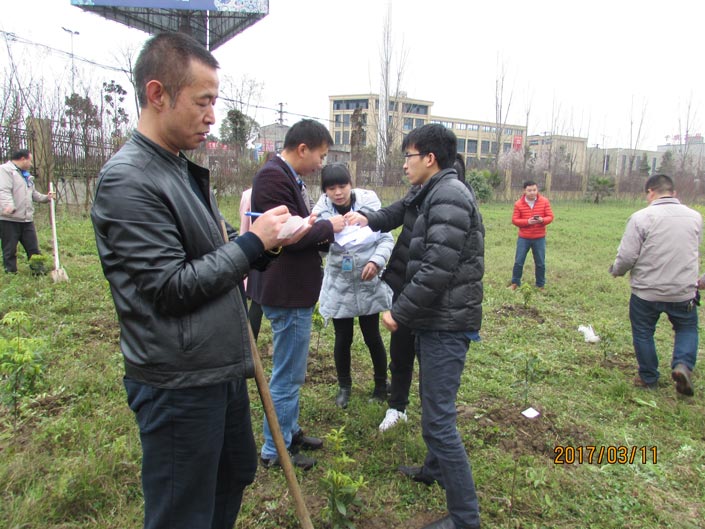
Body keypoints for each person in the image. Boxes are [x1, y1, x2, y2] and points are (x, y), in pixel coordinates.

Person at [91, 32, 311, 529]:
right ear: (157, 94)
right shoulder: (129, 180)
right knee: (183, 512)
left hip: (218, 367)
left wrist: (261, 243)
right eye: (203, 101)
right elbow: (169, 287)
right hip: (179, 381)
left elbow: (209, 254)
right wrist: (251, 243)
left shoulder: (178, 169)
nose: (212, 116)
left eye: (215, 101)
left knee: (229, 480)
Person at [365, 124, 484, 529]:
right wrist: (358, 219)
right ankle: (434, 470)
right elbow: (394, 213)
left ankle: (465, 519)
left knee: (437, 420)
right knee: (434, 405)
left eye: (408, 156)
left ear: (429, 159)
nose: (404, 164)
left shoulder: (449, 195)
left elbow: (437, 269)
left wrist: (400, 311)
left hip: (446, 322)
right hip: (436, 317)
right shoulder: (431, 190)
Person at [251, 119, 346, 470]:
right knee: (288, 375)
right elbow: (286, 235)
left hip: (293, 290)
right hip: (286, 290)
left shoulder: (287, 176)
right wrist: (327, 226)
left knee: (293, 371)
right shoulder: (273, 176)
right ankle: (276, 450)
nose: (321, 163)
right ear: (303, 149)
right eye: (320, 155)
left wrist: (316, 225)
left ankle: (289, 432)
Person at [610, 174, 701, 397]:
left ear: (650, 192)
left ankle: (648, 377)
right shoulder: (695, 217)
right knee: (687, 328)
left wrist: (617, 270)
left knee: (643, 332)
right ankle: (682, 365)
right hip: (684, 290)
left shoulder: (641, 218)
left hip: (647, 291)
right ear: (674, 193)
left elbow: (628, 255)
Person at [312, 163, 393, 408]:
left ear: (351, 183)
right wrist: (323, 234)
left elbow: (386, 237)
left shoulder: (370, 203)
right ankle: (344, 387)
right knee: (342, 337)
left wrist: (376, 261)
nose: (338, 192)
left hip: (368, 280)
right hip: (341, 283)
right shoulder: (320, 214)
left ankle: (381, 385)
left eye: (342, 185)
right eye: (331, 187)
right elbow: (319, 248)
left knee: (372, 336)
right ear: (325, 190)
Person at [0, 149, 52, 274]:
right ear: (23, 159)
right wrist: (8, 206)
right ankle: (11, 272)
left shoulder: (26, 175)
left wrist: (47, 198)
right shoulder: (5, 170)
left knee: (33, 247)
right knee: (10, 249)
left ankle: (38, 270)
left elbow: (33, 194)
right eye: (30, 160)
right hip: (9, 219)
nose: (31, 164)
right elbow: (3, 190)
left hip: (26, 219)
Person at [509, 180, 554, 290]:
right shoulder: (518, 204)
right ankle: (515, 283)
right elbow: (515, 220)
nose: (532, 192)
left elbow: (550, 216)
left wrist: (542, 220)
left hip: (539, 237)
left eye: (534, 190)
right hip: (524, 238)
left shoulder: (544, 201)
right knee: (519, 261)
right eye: (529, 190)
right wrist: (527, 222)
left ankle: (540, 285)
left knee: (540, 263)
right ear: (524, 191)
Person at [239, 187, 264, 341]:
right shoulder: (252, 194)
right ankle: (249, 344)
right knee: (257, 302)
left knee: (257, 301)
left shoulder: (248, 194)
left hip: (252, 250)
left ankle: (249, 343)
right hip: (261, 251)